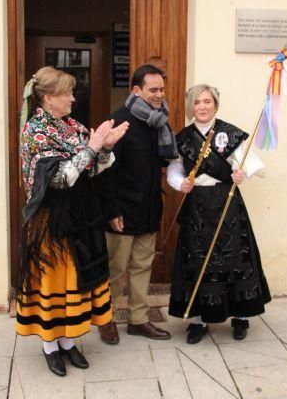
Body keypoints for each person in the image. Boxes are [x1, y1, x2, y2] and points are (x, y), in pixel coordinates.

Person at [16, 66, 128, 376]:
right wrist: (93, 147)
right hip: (51, 222)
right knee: (54, 282)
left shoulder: (70, 125)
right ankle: (50, 345)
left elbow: (94, 169)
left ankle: (66, 342)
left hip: (79, 217)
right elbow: (61, 179)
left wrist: (105, 148)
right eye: (67, 93)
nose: (72, 98)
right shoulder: (36, 130)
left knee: (72, 282)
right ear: (49, 98)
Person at [167, 84, 271, 344]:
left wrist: (241, 172)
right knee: (199, 262)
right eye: (197, 102)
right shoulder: (182, 138)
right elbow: (173, 170)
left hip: (227, 205)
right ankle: (201, 320)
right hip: (197, 207)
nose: (202, 107)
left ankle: (241, 316)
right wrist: (180, 184)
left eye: (207, 102)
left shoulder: (229, 133)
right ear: (191, 106)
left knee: (235, 259)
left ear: (215, 105)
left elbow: (255, 166)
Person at [98, 64, 179, 344]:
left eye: (162, 89)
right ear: (136, 90)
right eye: (153, 89)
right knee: (116, 269)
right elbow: (104, 170)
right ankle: (105, 319)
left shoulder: (158, 122)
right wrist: (112, 210)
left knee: (142, 266)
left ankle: (138, 320)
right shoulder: (117, 122)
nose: (160, 94)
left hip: (149, 209)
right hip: (122, 212)